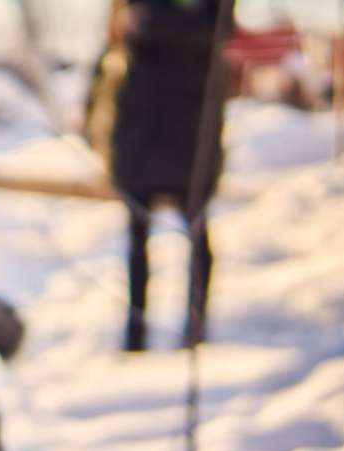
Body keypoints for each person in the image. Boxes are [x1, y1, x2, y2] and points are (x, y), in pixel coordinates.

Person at [87, 0, 233, 351]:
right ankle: (137, 332)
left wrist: (146, 23)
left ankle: (193, 328)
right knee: (139, 238)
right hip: (142, 129)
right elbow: (111, 48)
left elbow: (219, 28)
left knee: (194, 233)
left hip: (189, 129)